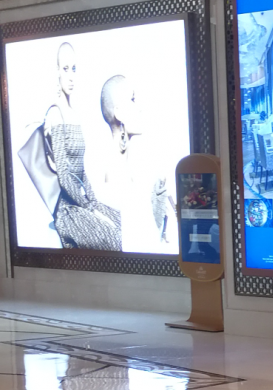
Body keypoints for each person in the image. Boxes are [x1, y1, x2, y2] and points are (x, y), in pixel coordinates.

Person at [44, 42, 121, 250]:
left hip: (82, 201)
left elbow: (80, 169)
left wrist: (92, 201)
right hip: (67, 210)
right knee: (112, 238)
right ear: (57, 71)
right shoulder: (55, 114)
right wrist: (88, 206)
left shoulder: (74, 115)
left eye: (74, 69)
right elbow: (64, 176)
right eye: (65, 69)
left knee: (122, 224)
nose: (71, 76)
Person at [100, 74, 175, 251]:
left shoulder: (128, 167)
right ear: (119, 113)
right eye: (132, 99)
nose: (139, 108)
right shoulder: (117, 173)